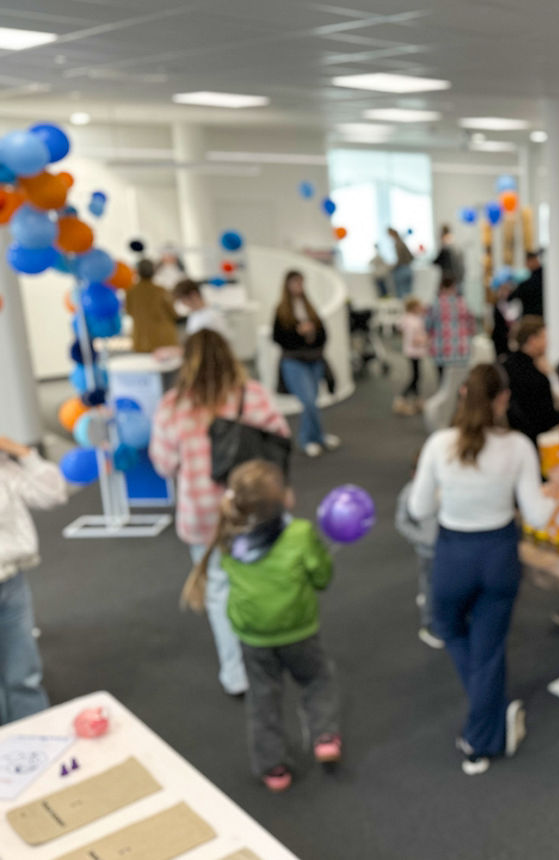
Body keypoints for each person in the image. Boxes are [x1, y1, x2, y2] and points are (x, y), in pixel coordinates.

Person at [407, 364, 559, 775]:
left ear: (462, 396)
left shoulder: (440, 444)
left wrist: (447, 491)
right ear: (503, 400)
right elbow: (539, 517)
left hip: (454, 555)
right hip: (498, 554)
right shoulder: (518, 448)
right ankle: (482, 737)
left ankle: (484, 735)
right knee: (488, 651)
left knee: (449, 627)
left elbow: (418, 508)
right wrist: (557, 489)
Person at [184, 460, 340, 793]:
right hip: (298, 629)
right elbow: (321, 577)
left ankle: (274, 768)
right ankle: (325, 737)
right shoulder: (299, 533)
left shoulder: (226, 537)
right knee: (316, 678)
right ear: (285, 498)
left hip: (253, 635)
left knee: (263, 698)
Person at [150, 330, 289, 697]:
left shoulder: (172, 406)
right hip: (251, 508)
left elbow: (164, 464)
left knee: (218, 591)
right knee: (263, 580)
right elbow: (280, 439)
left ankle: (235, 673)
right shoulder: (252, 394)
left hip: (201, 515)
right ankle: (273, 655)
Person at [0, 437, 67, 724]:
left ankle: (36, 745)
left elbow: (53, 494)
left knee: (24, 675)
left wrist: (22, 453)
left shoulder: (4, 467)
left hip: (11, 582)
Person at [273, 270, 339, 458]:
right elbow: (278, 338)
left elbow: (323, 334)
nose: (298, 287)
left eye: (301, 283)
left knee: (313, 401)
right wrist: (298, 333)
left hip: (314, 359)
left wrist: (311, 333)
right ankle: (306, 439)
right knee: (308, 401)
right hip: (294, 360)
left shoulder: (310, 307)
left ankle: (318, 436)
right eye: (295, 283)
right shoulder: (281, 311)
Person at [501, 317, 559, 445]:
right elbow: (547, 421)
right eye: (544, 337)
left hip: (506, 439)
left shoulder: (503, 366)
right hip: (532, 443)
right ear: (532, 340)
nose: (547, 343)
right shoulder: (536, 377)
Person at [395, 451, 441, 649]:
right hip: (427, 551)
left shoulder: (443, 487)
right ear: (415, 474)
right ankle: (429, 626)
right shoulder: (409, 493)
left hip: (448, 550)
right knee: (430, 585)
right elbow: (401, 522)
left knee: (437, 585)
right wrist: (422, 538)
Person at [428, 274, 477, 390]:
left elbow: (428, 324)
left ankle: (444, 405)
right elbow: (472, 324)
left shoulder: (436, 303)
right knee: (460, 382)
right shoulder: (462, 302)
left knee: (443, 382)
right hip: (461, 348)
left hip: (442, 347)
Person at [124, 259, 180, 353]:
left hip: (141, 339)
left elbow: (129, 311)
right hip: (163, 339)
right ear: (153, 271)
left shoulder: (130, 291)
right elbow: (173, 313)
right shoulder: (161, 290)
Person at [394, 298, 430, 416]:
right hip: (414, 351)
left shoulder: (409, 319)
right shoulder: (411, 320)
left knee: (417, 375)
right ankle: (401, 398)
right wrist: (423, 340)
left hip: (414, 351)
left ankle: (418, 400)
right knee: (415, 376)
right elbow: (414, 337)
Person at [513, 250, 544, 320]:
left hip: (534, 318)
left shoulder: (535, 280)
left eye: (527, 262)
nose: (526, 265)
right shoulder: (533, 278)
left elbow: (514, 295)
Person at [388, 227, 415, 299]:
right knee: (409, 294)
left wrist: (392, 267)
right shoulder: (402, 242)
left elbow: (399, 259)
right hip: (408, 269)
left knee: (401, 293)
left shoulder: (398, 244)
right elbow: (411, 257)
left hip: (401, 270)